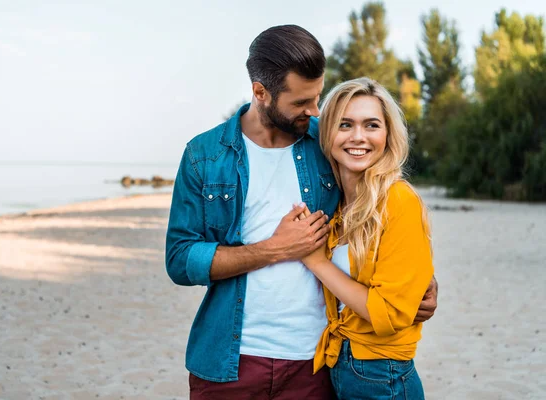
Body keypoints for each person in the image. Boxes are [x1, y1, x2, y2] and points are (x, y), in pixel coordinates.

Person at [165, 25, 438, 400]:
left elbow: (375, 217)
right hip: (229, 361)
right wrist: (274, 249)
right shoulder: (204, 155)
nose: (315, 111)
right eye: (301, 103)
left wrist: (416, 283)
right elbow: (180, 260)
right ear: (260, 92)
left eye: (317, 97)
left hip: (318, 361)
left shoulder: (326, 145)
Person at [298, 77, 435, 400]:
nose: (358, 137)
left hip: (382, 374)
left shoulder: (398, 200)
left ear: (387, 135)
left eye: (371, 125)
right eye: (345, 124)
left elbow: (387, 312)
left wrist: (317, 261)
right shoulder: (340, 206)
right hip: (345, 365)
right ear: (328, 132)